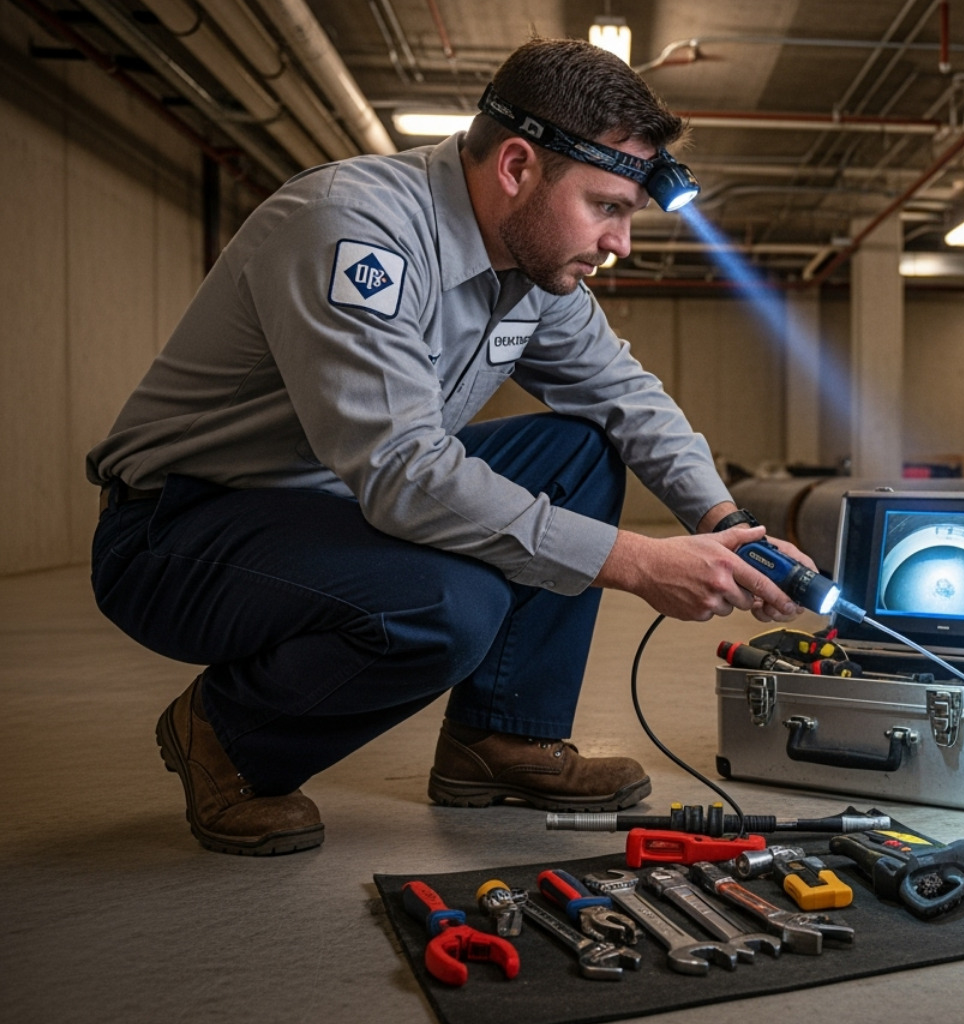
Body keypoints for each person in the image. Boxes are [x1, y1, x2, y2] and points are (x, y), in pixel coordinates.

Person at [85, 37, 811, 857]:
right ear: (515, 167)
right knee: (447, 606)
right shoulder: (353, 231)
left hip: (331, 505)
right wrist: (640, 563)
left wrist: (730, 520)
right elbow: (401, 472)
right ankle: (227, 735)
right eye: (607, 206)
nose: (621, 243)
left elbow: (626, 398)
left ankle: (497, 739)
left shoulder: (535, 269)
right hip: (180, 529)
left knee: (582, 448)